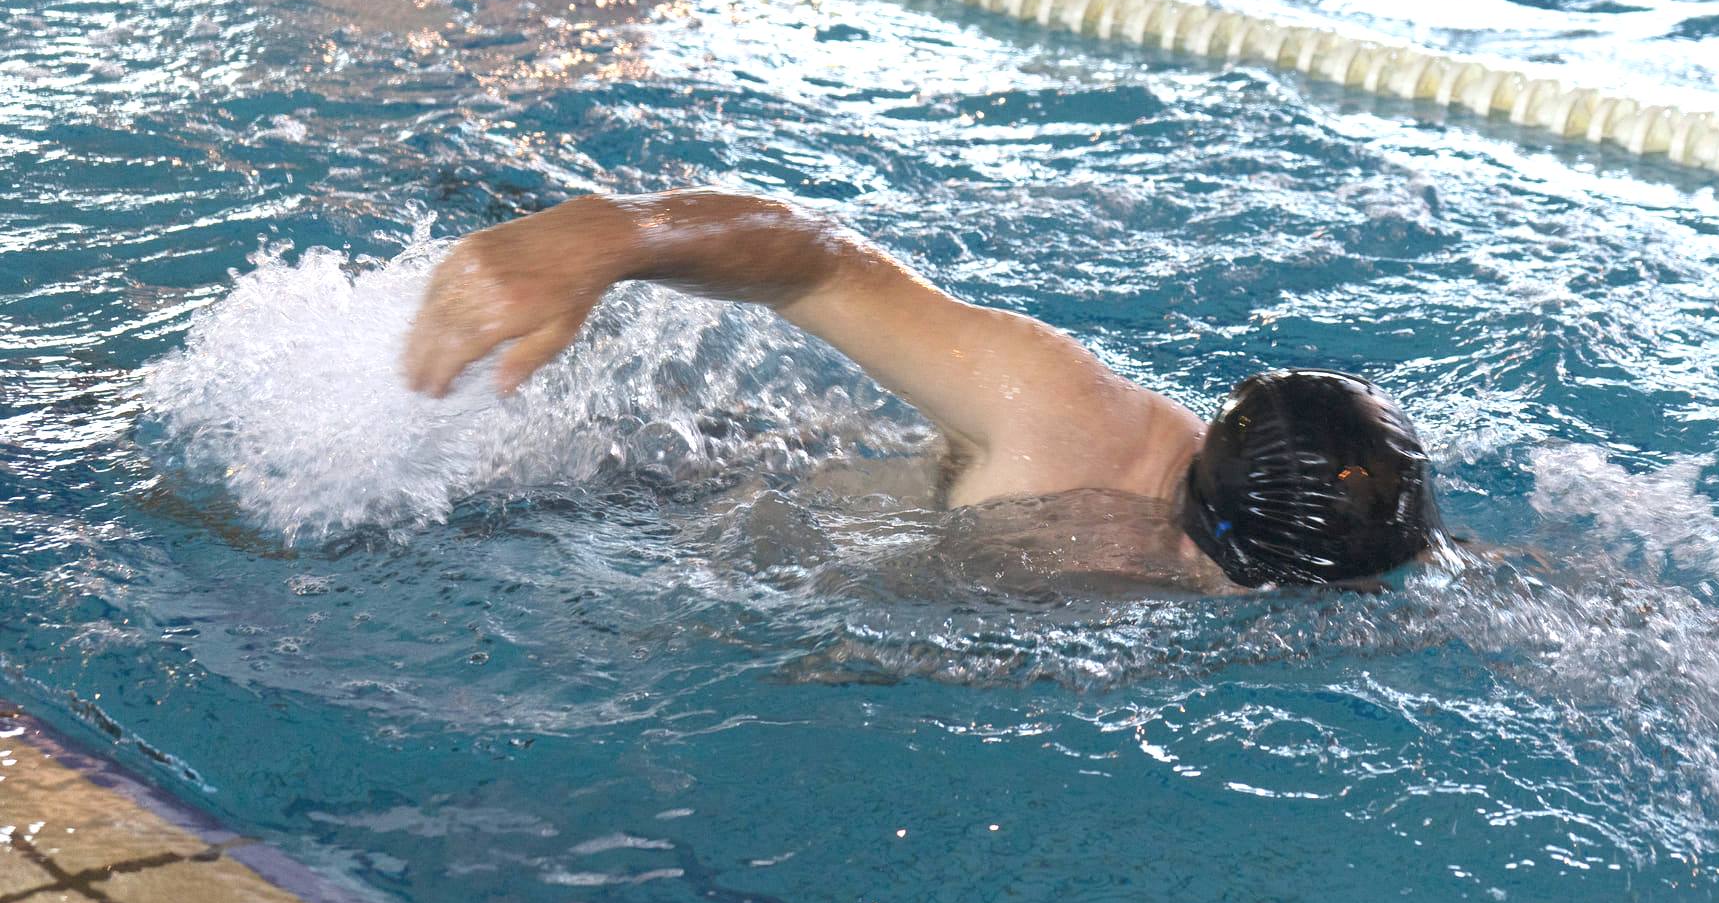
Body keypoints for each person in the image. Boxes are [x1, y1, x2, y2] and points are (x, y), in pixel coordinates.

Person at [401, 189, 1452, 593]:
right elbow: (817, 263)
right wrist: (614, 238)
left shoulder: (1317, 537)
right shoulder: (1059, 415)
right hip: (663, 501)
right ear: (1207, 547)